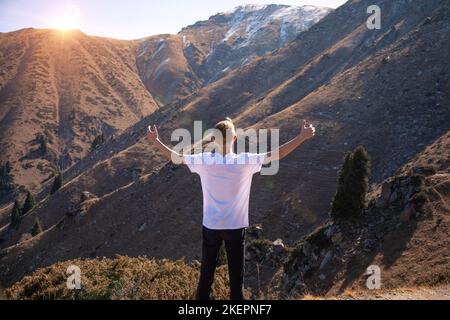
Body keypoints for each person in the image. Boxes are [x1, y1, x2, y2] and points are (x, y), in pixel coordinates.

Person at [146, 117, 315, 300]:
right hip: (235, 227)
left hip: (211, 226)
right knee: (236, 282)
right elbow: (277, 154)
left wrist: (156, 141)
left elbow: (176, 158)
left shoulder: (203, 160)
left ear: (212, 140)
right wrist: (301, 137)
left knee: (206, 278)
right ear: (235, 139)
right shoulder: (245, 161)